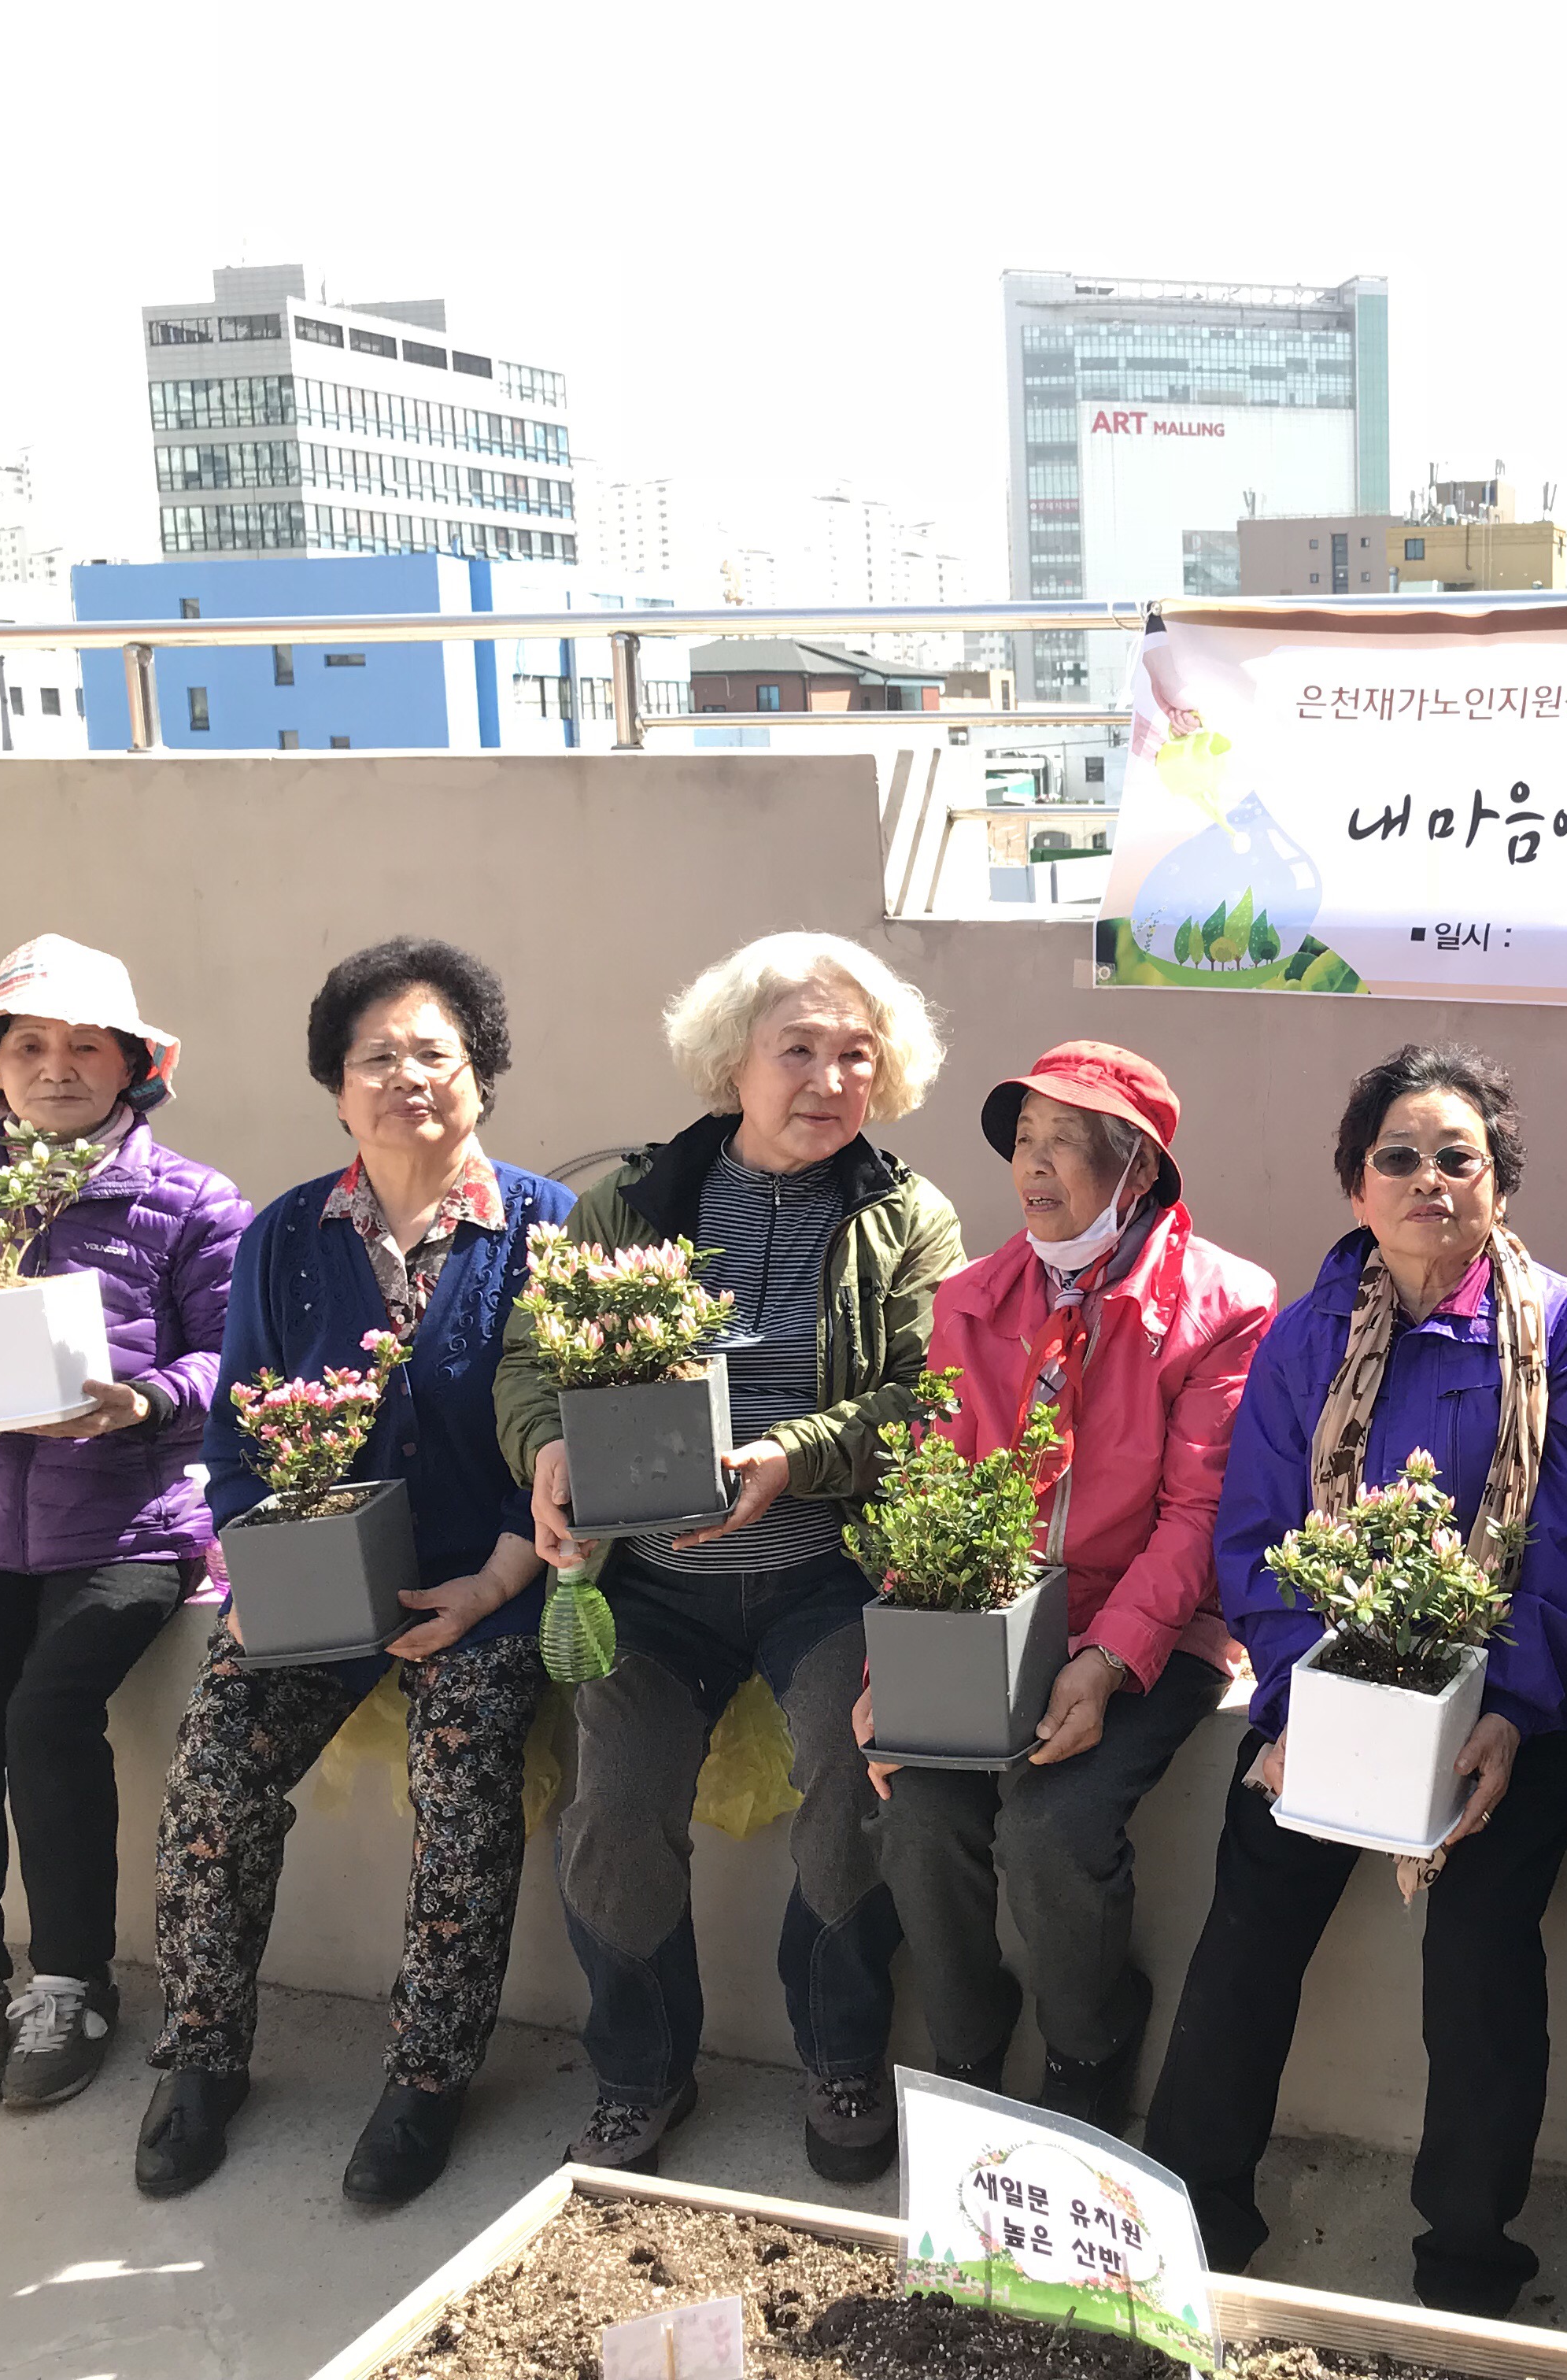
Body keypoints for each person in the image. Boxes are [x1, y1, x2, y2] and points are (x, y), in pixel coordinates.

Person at [1144, 1043, 1567, 2319]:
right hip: (1331, 1697)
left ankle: (1467, 2266)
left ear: (1498, 1183)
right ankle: (1192, 2222)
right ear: (1357, 1186)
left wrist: (1507, 1712)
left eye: (1458, 1158)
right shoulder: (1306, 1337)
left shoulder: (1563, 1331)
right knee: (1249, 1918)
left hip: (1516, 1711)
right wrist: (1303, 1708)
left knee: (1479, 1954)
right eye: (1399, 1158)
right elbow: (1258, 1541)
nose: (1430, 1181)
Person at [506, 930, 963, 2186]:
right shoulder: (633, 1205)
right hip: (649, 1584)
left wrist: (791, 1457)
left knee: (853, 1786)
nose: (830, 1079)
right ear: (732, 1064)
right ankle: (641, 2069)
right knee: (613, 1813)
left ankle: (842, 2052)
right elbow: (530, 1362)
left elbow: (928, 1396)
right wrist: (548, 1448)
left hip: (826, 1575)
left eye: (856, 1055)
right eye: (798, 1049)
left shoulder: (908, 1217)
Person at [136, 938, 569, 2207]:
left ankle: (426, 2078)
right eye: (376, 1057)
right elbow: (236, 1443)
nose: (406, 1078)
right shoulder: (285, 1236)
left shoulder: (549, 1227)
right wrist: (269, 1564)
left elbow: (575, 1430)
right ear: (337, 1087)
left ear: (481, 1075)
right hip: (318, 1586)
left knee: (464, 1782)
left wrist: (497, 1580)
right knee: (216, 1768)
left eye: (435, 1053)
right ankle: (202, 2056)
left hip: (488, 1581)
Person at [864, 1040, 1276, 2132]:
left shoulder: (1225, 1305)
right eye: (1024, 1141)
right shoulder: (972, 1298)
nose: (1035, 1166)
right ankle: (967, 2043)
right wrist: (894, 1669)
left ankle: (1090, 2044)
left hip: (1150, 1630)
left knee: (1055, 1826)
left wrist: (1102, 1661)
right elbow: (934, 1490)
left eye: (1066, 1142)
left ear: (1135, 1166)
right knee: (916, 1806)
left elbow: (1198, 1518)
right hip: (987, 1623)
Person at [0, 936, 249, 2114]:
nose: (57, 1067)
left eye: (87, 1044)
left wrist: (146, 1401)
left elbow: (235, 1355)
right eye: (28, 1045)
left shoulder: (193, 1202)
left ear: (131, 1064)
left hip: (131, 1531)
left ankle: (73, 1983)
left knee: (45, 1720)